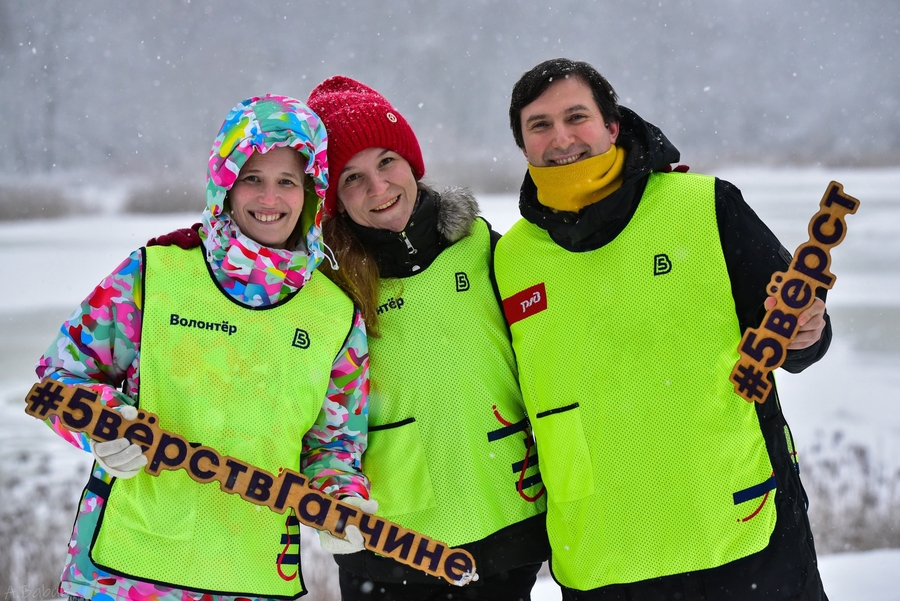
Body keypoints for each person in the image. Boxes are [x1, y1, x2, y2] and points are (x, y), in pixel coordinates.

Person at [493, 58, 832, 600]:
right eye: (540, 125)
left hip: (740, 532)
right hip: (602, 553)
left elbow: (795, 333)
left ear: (612, 126)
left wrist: (807, 334)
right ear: (523, 145)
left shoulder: (705, 207)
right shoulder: (508, 260)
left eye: (576, 117)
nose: (561, 138)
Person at [35, 95, 371, 601]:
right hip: (123, 573)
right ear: (224, 182)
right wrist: (104, 425)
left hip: (254, 576)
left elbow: (333, 443)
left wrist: (340, 501)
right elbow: (59, 378)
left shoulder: (336, 315)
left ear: (312, 191)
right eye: (252, 177)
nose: (269, 198)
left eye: (287, 181)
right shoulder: (156, 273)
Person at [305, 76, 550, 601]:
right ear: (332, 200)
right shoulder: (325, 289)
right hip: (391, 542)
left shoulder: (483, 247)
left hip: (505, 518)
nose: (378, 187)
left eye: (387, 162)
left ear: (412, 162)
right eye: (352, 177)